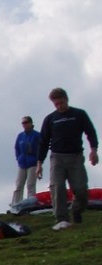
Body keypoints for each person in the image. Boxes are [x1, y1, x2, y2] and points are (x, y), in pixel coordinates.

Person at [36, 87, 99, 230]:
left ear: (66, 99)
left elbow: (91, 132)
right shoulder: (50, 119)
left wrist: (93, 150)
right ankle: (61, 218)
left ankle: (77, 209)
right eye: (56, 104)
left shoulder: (79, 114)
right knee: (57, 187)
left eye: (61, 103)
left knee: (81, 188)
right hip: (57, 158)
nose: (59, 106)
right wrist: (39, 163)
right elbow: (43, 142)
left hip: (75, 157)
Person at [11, 116, 40, 206]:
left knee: (30, 185)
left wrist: (38, 160)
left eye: (26, 122)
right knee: (19, 185)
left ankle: (30, 204)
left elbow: (40, 148)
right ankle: (15, 204)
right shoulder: (20, 136)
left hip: (33, 163)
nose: (24, 124)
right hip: (22, 163)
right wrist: (18, 158)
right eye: (23, 123)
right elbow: (17, 148)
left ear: (31, 123)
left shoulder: (37, 135)